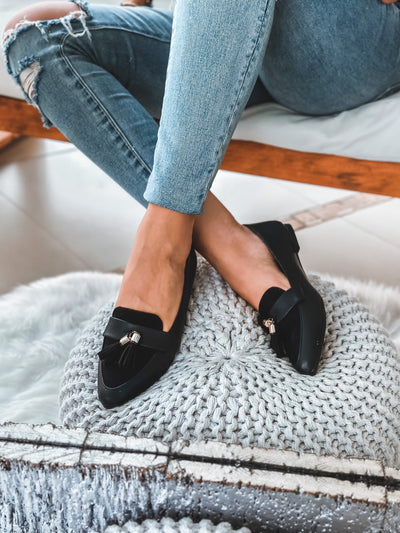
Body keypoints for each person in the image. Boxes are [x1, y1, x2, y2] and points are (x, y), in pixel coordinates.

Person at [3, 0, 398, 408]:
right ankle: (228, 243)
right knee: (33, 40)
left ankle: (162, 247)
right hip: (240, 21)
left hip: (345, 39)